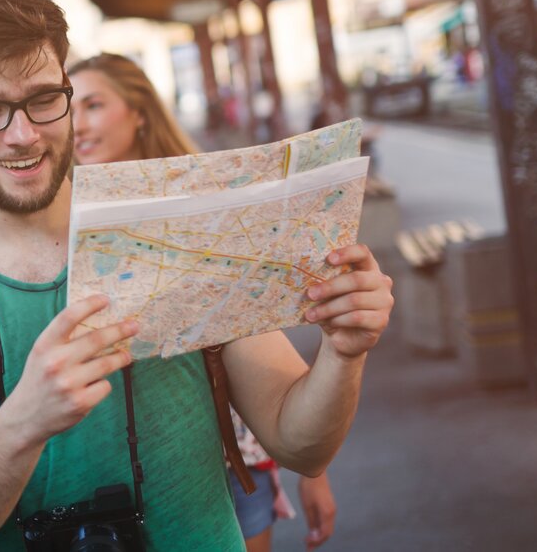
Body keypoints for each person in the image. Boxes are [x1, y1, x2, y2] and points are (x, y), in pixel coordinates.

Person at [0, 0, 394, 551]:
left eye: (44, 99)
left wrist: (343, 353)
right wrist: (28, 418)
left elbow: (300, 444)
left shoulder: (185, 236)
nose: (23, 135)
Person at [68, 52, 337, 551]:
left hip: (235, 451)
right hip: (129, 468)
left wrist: (314, 471)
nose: (77, 124)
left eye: (94, 105)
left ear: (139, 112)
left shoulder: (204, 202)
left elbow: (254, 323)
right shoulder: (60, 221)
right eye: (69, 108)